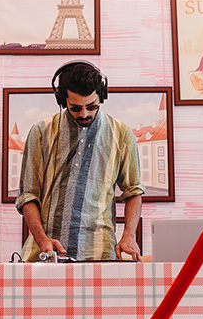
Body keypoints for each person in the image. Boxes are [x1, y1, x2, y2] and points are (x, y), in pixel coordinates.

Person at [16, 61, 145, 262]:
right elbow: (28, 195)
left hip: (100, 252)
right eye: (75, 108)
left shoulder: (122, 134)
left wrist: (129, 235)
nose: (84, 114)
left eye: (91, 106)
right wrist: (42, 240)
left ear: (101, 96)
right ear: (61, 99)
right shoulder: (40, 132)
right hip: (46, 251)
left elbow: (133, 191)